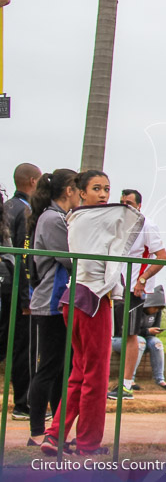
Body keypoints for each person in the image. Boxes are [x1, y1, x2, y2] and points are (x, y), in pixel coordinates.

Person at [42, 171, 140, 457]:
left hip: (73, 297)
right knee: (95, 377)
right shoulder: (94, 218)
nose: (103, 195)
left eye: (107, 189)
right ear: (80, 192)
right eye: (96, 188)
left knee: (80, 373)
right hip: (94, 300)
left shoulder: (75, 218)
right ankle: (87, 443)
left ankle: (54, 435)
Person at [26, 169, 78, 446]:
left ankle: (56, 432)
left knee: (62, 369)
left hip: (60, 301)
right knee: (48, 368)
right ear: (69, 190)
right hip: (51, 302)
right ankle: (37, 431)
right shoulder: (53, 219)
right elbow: (70, 259)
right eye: (79, 188)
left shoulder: (56, 217)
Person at [108, 188, 166, 400]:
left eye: (130, 203)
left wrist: (142, 280)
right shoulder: (117, 225)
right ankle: (113, 382)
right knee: (115, 334)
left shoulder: (147, 225)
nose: (125, 206)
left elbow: (162, 257)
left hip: (134, 289)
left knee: (130, 334)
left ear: (139, 206)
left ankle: (126, 385)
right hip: (115, 287)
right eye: (122, 201)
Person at [2, 162, 41, 421]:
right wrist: (27, 297)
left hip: (4, 286)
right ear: (33, 182)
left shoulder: (6, 207)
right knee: (24, 347)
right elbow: (25, 256)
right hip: (19, 290)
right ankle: (22, 404)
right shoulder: (27, 211)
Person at [111, 286, 166, 390]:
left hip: (143, 339)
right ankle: (130, 379)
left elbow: (153, 332)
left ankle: (160, 379)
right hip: (120, 340)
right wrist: (147, 331)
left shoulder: (157, 312)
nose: (156, 310)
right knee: (140, 341)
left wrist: (152, 332)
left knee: (157, 343)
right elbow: (125, 332)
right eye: (155, 307)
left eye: (159, 309)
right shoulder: (135, 309)